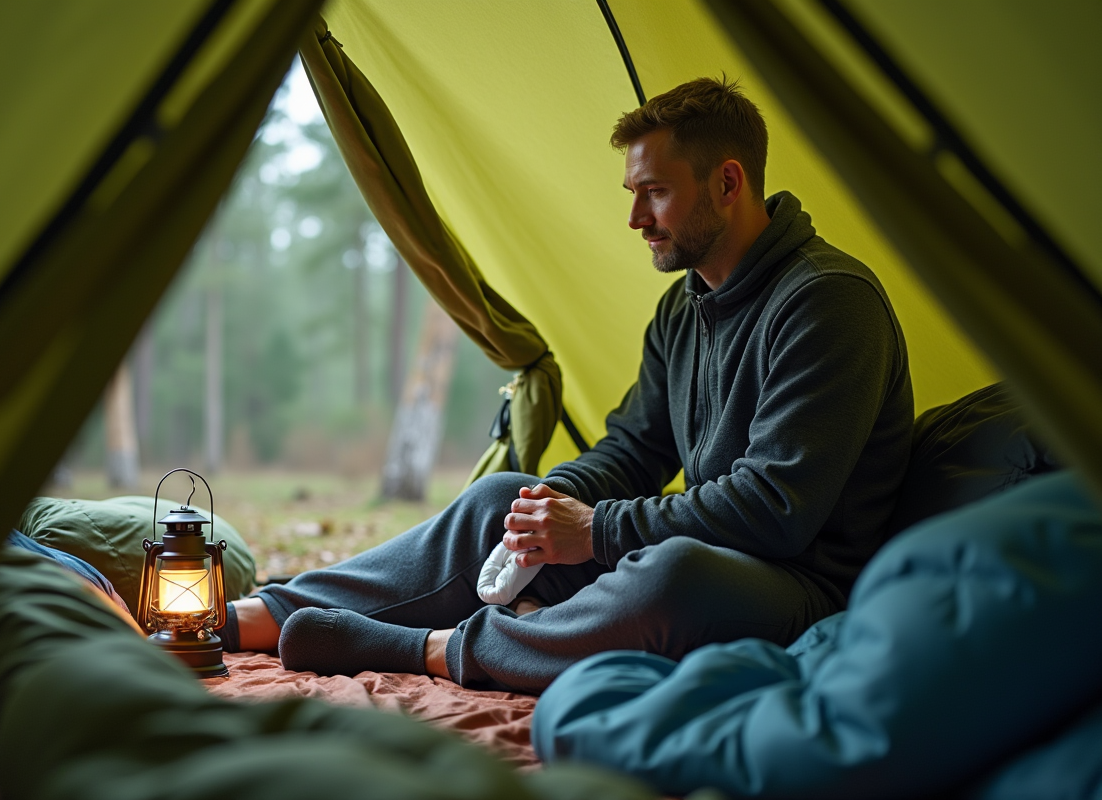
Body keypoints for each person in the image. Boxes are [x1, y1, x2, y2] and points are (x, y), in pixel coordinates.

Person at [225, 76, 914, 694]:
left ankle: (438, 649)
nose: (636, 219)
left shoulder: (829, 303)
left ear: (728, 183)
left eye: (657, 192)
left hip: (803, 584)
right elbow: (636, 450)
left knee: (672, 577)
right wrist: (550, 505)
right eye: (633, 193)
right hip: (715, 550)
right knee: (502, 495)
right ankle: (251, 615)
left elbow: (775, 508)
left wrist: (597, 530)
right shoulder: (684, 306)